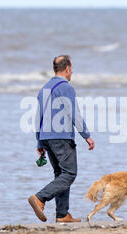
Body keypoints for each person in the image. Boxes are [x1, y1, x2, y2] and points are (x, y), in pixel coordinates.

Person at [28, 55, 95, 223]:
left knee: (60, 174)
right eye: (71, 70)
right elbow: (74, 114)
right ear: (67, 69)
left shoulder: (44, 88)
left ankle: (62, 214)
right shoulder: (66, 88)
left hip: (47, 137)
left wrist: (40, 141)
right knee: (69, 173)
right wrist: (86, 135)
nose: (71, 73)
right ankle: (40, 198)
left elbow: (38, 117)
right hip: (61, 137)